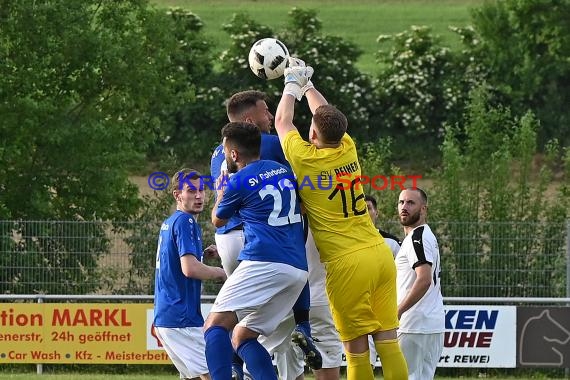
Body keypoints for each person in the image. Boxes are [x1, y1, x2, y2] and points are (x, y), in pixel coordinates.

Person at [274, 58, 408, 380]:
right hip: (378, 252)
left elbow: (281, 121)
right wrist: (307, 85)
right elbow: (326, 114)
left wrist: (290, 84)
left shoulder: (306, 159)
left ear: (313, 133)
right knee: (388, 341)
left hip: (347, 263)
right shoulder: (348, 147)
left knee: (356, 350)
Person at [209, 90, 321, 379]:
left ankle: (232, 369)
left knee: (215, 326)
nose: (271, 116)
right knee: (244, 334)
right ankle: (303, 326)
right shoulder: (279, 162)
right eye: (266, 111)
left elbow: (218, 219)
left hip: (252, 252)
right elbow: (307, 154)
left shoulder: (223, 160)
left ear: (233, 153)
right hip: (294, 266)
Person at [153, 168, 227, 380]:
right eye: (191, 191)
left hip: (168, 316)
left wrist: (202, 256)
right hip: (181, 318)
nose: (199, 196)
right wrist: (221, 273)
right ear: (177, 195)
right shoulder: (186, 222)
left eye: (201, 190)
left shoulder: (170, 222)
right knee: (215, 374)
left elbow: (179, 262)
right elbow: (190, 269)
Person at [396, 188, 445, 380]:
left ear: (423, 209)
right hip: (430, 323)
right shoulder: (425, 236)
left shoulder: (418, 237)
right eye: (401, 202)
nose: (404, 207)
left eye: (410, 203)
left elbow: (424, 279)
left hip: (414, 324)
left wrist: (398, 310)